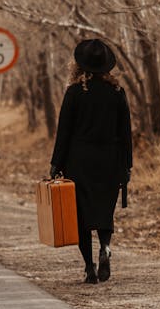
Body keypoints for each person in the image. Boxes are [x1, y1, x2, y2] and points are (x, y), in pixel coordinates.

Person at [50, 39, 133, 284]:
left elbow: (63, 131)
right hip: (110, 160)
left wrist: (56, 163)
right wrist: (127, 165)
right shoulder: (117, 92)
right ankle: (105, 246)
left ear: (79, 65)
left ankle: (89, 268)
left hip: (79, 160)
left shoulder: (75, 92)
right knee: (104, 211)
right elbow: (125, 132)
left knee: (81, 216)